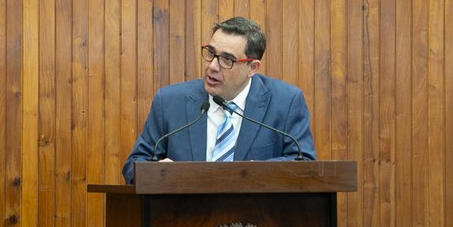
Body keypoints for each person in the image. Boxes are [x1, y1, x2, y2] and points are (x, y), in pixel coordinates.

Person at [122, 16, 317, 184]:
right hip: (184, 213)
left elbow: (304, 164)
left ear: (252, 68)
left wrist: (254, 173)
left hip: (256, 214)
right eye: (211, 53)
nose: (213, 66)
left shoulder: (286, 102)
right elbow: (134, 165)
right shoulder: (170, 102)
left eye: (227, 60)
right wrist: (157, 172)